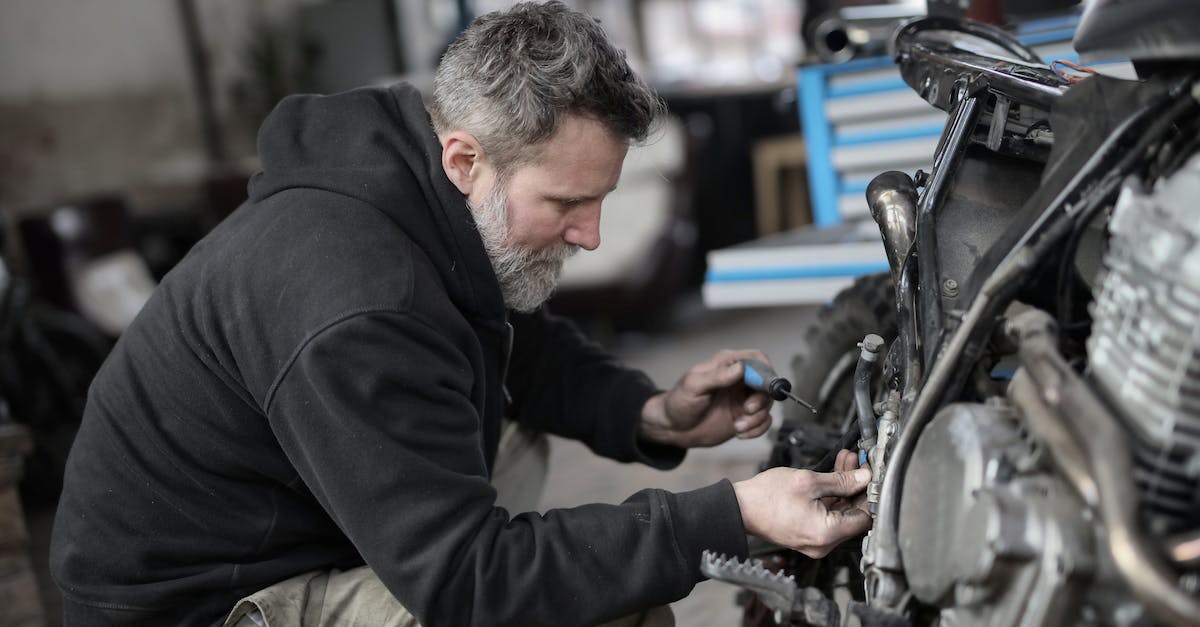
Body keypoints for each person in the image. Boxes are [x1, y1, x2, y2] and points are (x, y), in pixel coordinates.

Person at [50, 3, 872, 626]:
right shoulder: (357, 302)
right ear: (465, 157)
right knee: (605, 606)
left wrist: (652, 413)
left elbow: (513, 340)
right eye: (569, 202)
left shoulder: (415, 192)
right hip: (198, 600)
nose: (589, 236)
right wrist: (726, 514)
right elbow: (469, 580)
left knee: (521, 427)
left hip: (286, 516)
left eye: (601, 202)